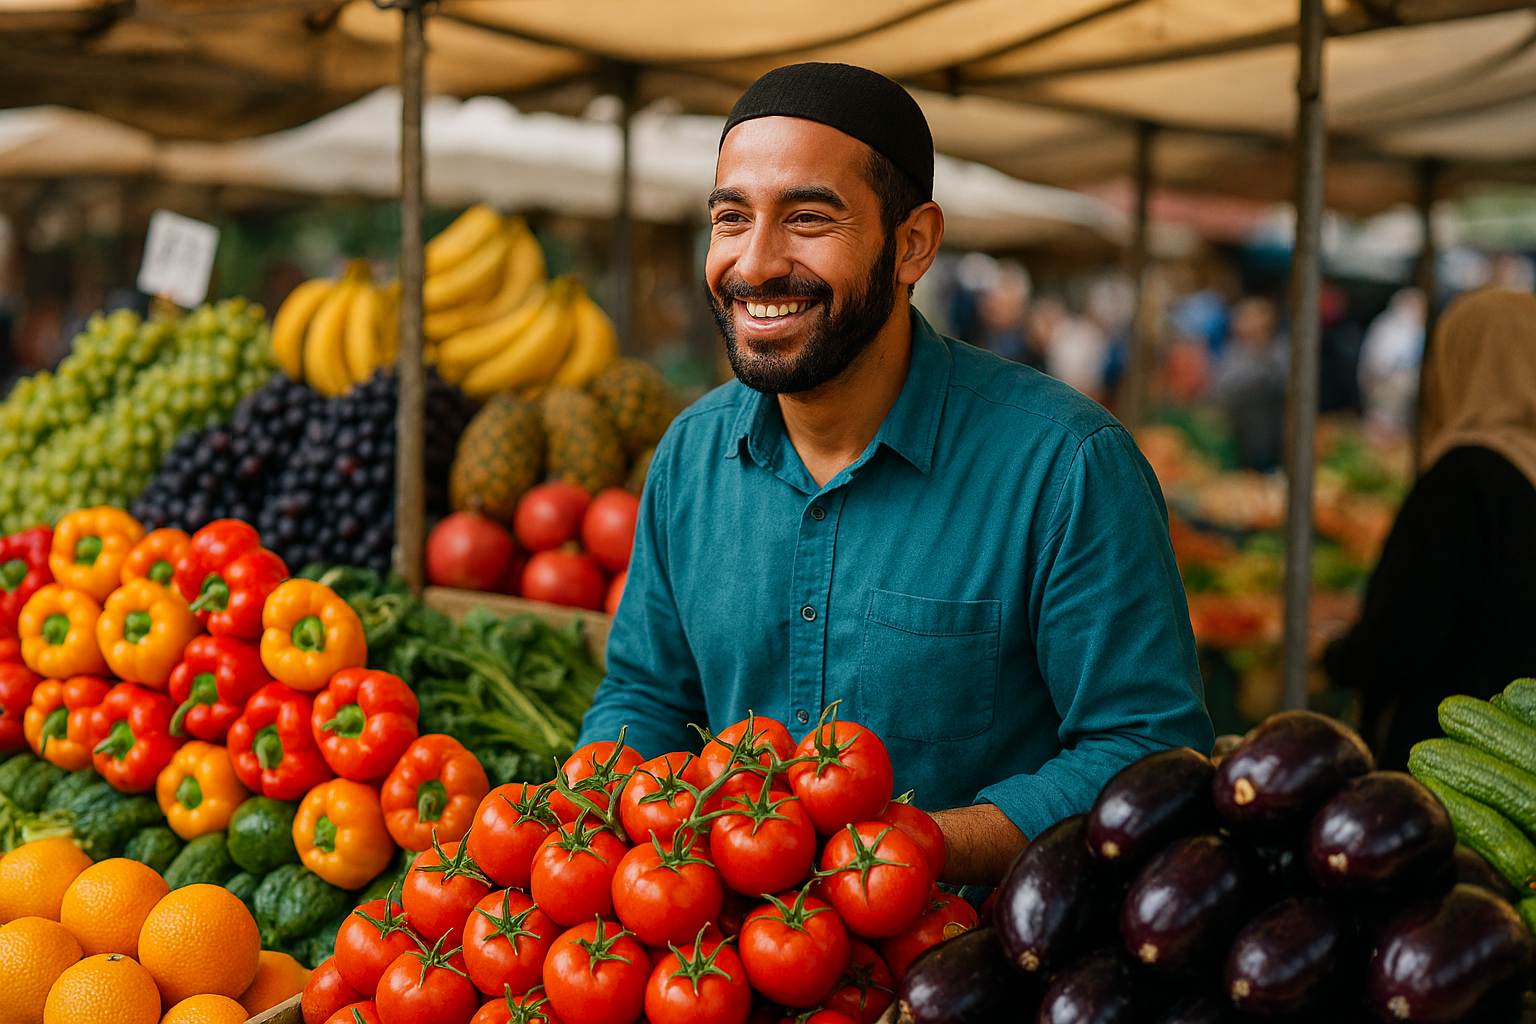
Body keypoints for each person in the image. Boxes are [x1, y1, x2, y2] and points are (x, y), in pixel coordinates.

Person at [576, 62, 1212, 886]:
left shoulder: (1066, 465)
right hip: (723, 967)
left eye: (808, 218)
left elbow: (1148, 753)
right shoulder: (689, 455)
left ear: (912, 244)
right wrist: (596, 810)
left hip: (970, 961)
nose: (756, 263)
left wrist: (910, 850)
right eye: (732, 218)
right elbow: (646, 694)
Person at [1326, 288, 1536, 769]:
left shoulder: (1464, 478)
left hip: (1453, 766)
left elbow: (1400, 633)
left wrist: (1337, 657)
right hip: (1522, 770)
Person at [1210, 296, 1287, 471]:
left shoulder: (1280, 352)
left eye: (1246, 317)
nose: (1238, 321)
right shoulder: (1235, 352)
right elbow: (1220, 389)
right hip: (1240, 436)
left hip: (1274, 438)